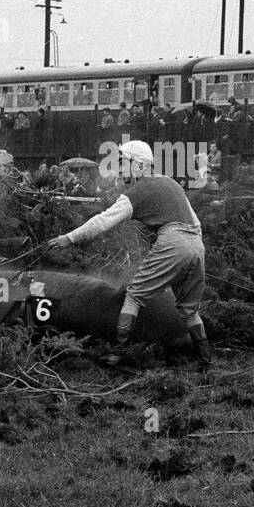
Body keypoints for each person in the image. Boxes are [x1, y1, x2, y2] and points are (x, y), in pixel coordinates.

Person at [48, 141, 211, 367]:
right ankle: (206, 361)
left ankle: (119, 354)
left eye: (124, 162)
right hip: (196, 244)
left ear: (140, 166)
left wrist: (69, 238)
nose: (120, 168)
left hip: (173, 242)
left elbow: (102, 221)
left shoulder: (135, 193)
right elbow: (196, 222)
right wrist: (191, 248)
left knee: (133, 295)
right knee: (190, 310)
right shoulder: (171, 183)